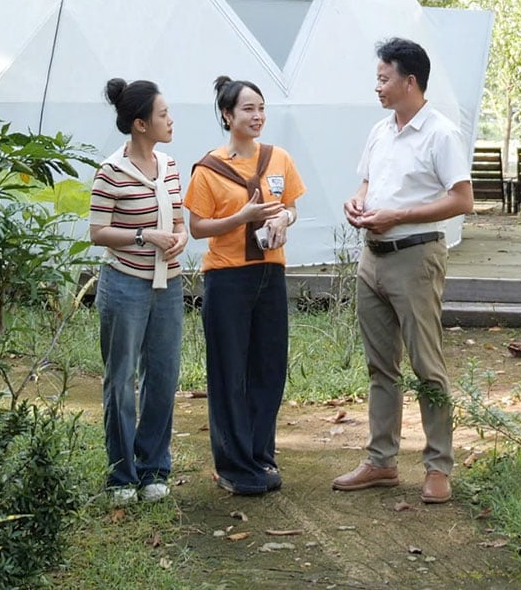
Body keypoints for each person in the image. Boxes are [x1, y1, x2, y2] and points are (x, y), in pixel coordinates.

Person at [335, 37, 472, 505]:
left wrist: (400, 216)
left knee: (426, 365)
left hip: (415, 258)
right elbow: (370, 181)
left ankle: (438, 467)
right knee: (380, 366)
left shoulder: (440, 133)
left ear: (408, 81)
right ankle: (381, 461)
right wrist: (359, 199)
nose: (377, 86)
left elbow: (461, 199)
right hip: (372, 257)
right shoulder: (381, 131)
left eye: (383, 78)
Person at [184, 75, 305, 496]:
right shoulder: (209, 169)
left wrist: (281, 221)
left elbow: (291, 207)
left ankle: (260, 455)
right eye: (248, 109)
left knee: (268, 368)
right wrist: (241, 217)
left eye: (261, 108)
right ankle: (234, 466)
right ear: (227, 115)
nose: (257, 116)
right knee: (229, 370)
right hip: (227, 277)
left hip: (270, 274)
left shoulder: (279, 159)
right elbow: (198, 228)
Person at [89, 78, 189, 506]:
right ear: (140, 124)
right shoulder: (110, 171)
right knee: (120, 378)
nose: (170, 120)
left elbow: (180, 221)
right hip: (125, 283)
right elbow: (98, 232)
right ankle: (121, 476)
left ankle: (154, 469)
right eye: (163, 114)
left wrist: (179, 237)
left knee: (163, 377)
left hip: (168, 285)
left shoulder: (169, 166)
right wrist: (145, 236)